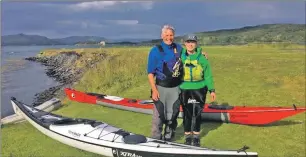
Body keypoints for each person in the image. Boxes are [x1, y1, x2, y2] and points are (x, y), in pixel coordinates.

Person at [147, 24, 183, 141]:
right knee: (158, 117)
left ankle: (169, 140)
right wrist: (154, 90)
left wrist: (201, 54)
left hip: (175, 88)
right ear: (162, 36)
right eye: (166, 35)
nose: (169, 37)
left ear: (174, 36)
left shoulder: (179, 48)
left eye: (171, 35)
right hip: (160, 88)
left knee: (172, 116)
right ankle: (155, 140)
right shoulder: (155, 51)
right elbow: (150, 73)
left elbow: (191, 54)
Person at [179, 34, 216, 146]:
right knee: (187, 113)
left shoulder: (202, 58)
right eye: (188, 42)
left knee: (197, 113)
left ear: (196, 44)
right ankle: (187, 137)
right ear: (184, 44)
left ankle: (195, 137)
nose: (190, 44)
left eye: (193, 42)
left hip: (199, 89)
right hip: (184, 89)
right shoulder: (180, 56)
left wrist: (212, 89)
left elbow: (208, 75)